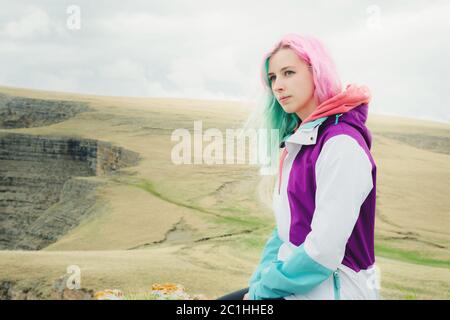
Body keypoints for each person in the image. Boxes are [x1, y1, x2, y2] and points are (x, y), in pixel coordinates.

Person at [217, 33, 379, 300]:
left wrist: (261, 293)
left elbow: (323, 251)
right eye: (272, 78)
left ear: (317, 72)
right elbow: (285, 230)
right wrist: (260, 285)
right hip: (295, 285)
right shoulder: (300, 141)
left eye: (288, 73)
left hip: (333, 289)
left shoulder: (341, 146)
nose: (278, 86)